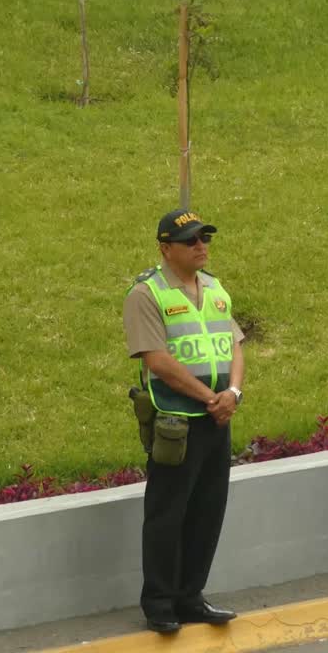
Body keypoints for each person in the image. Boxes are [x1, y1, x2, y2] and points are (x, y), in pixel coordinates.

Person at [122, 209, 245, 632]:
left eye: (204, 238)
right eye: (190, 240)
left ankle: (191, 597)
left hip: (217, 417)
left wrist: (233, 393)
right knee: (167, 513)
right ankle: (159, 603)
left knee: (208, 512)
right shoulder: (146, 294)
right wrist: (213, 397)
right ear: (165, 248)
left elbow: (235, 344)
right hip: (176, 420)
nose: (201, 246)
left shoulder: (213, 287)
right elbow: (157, 360)